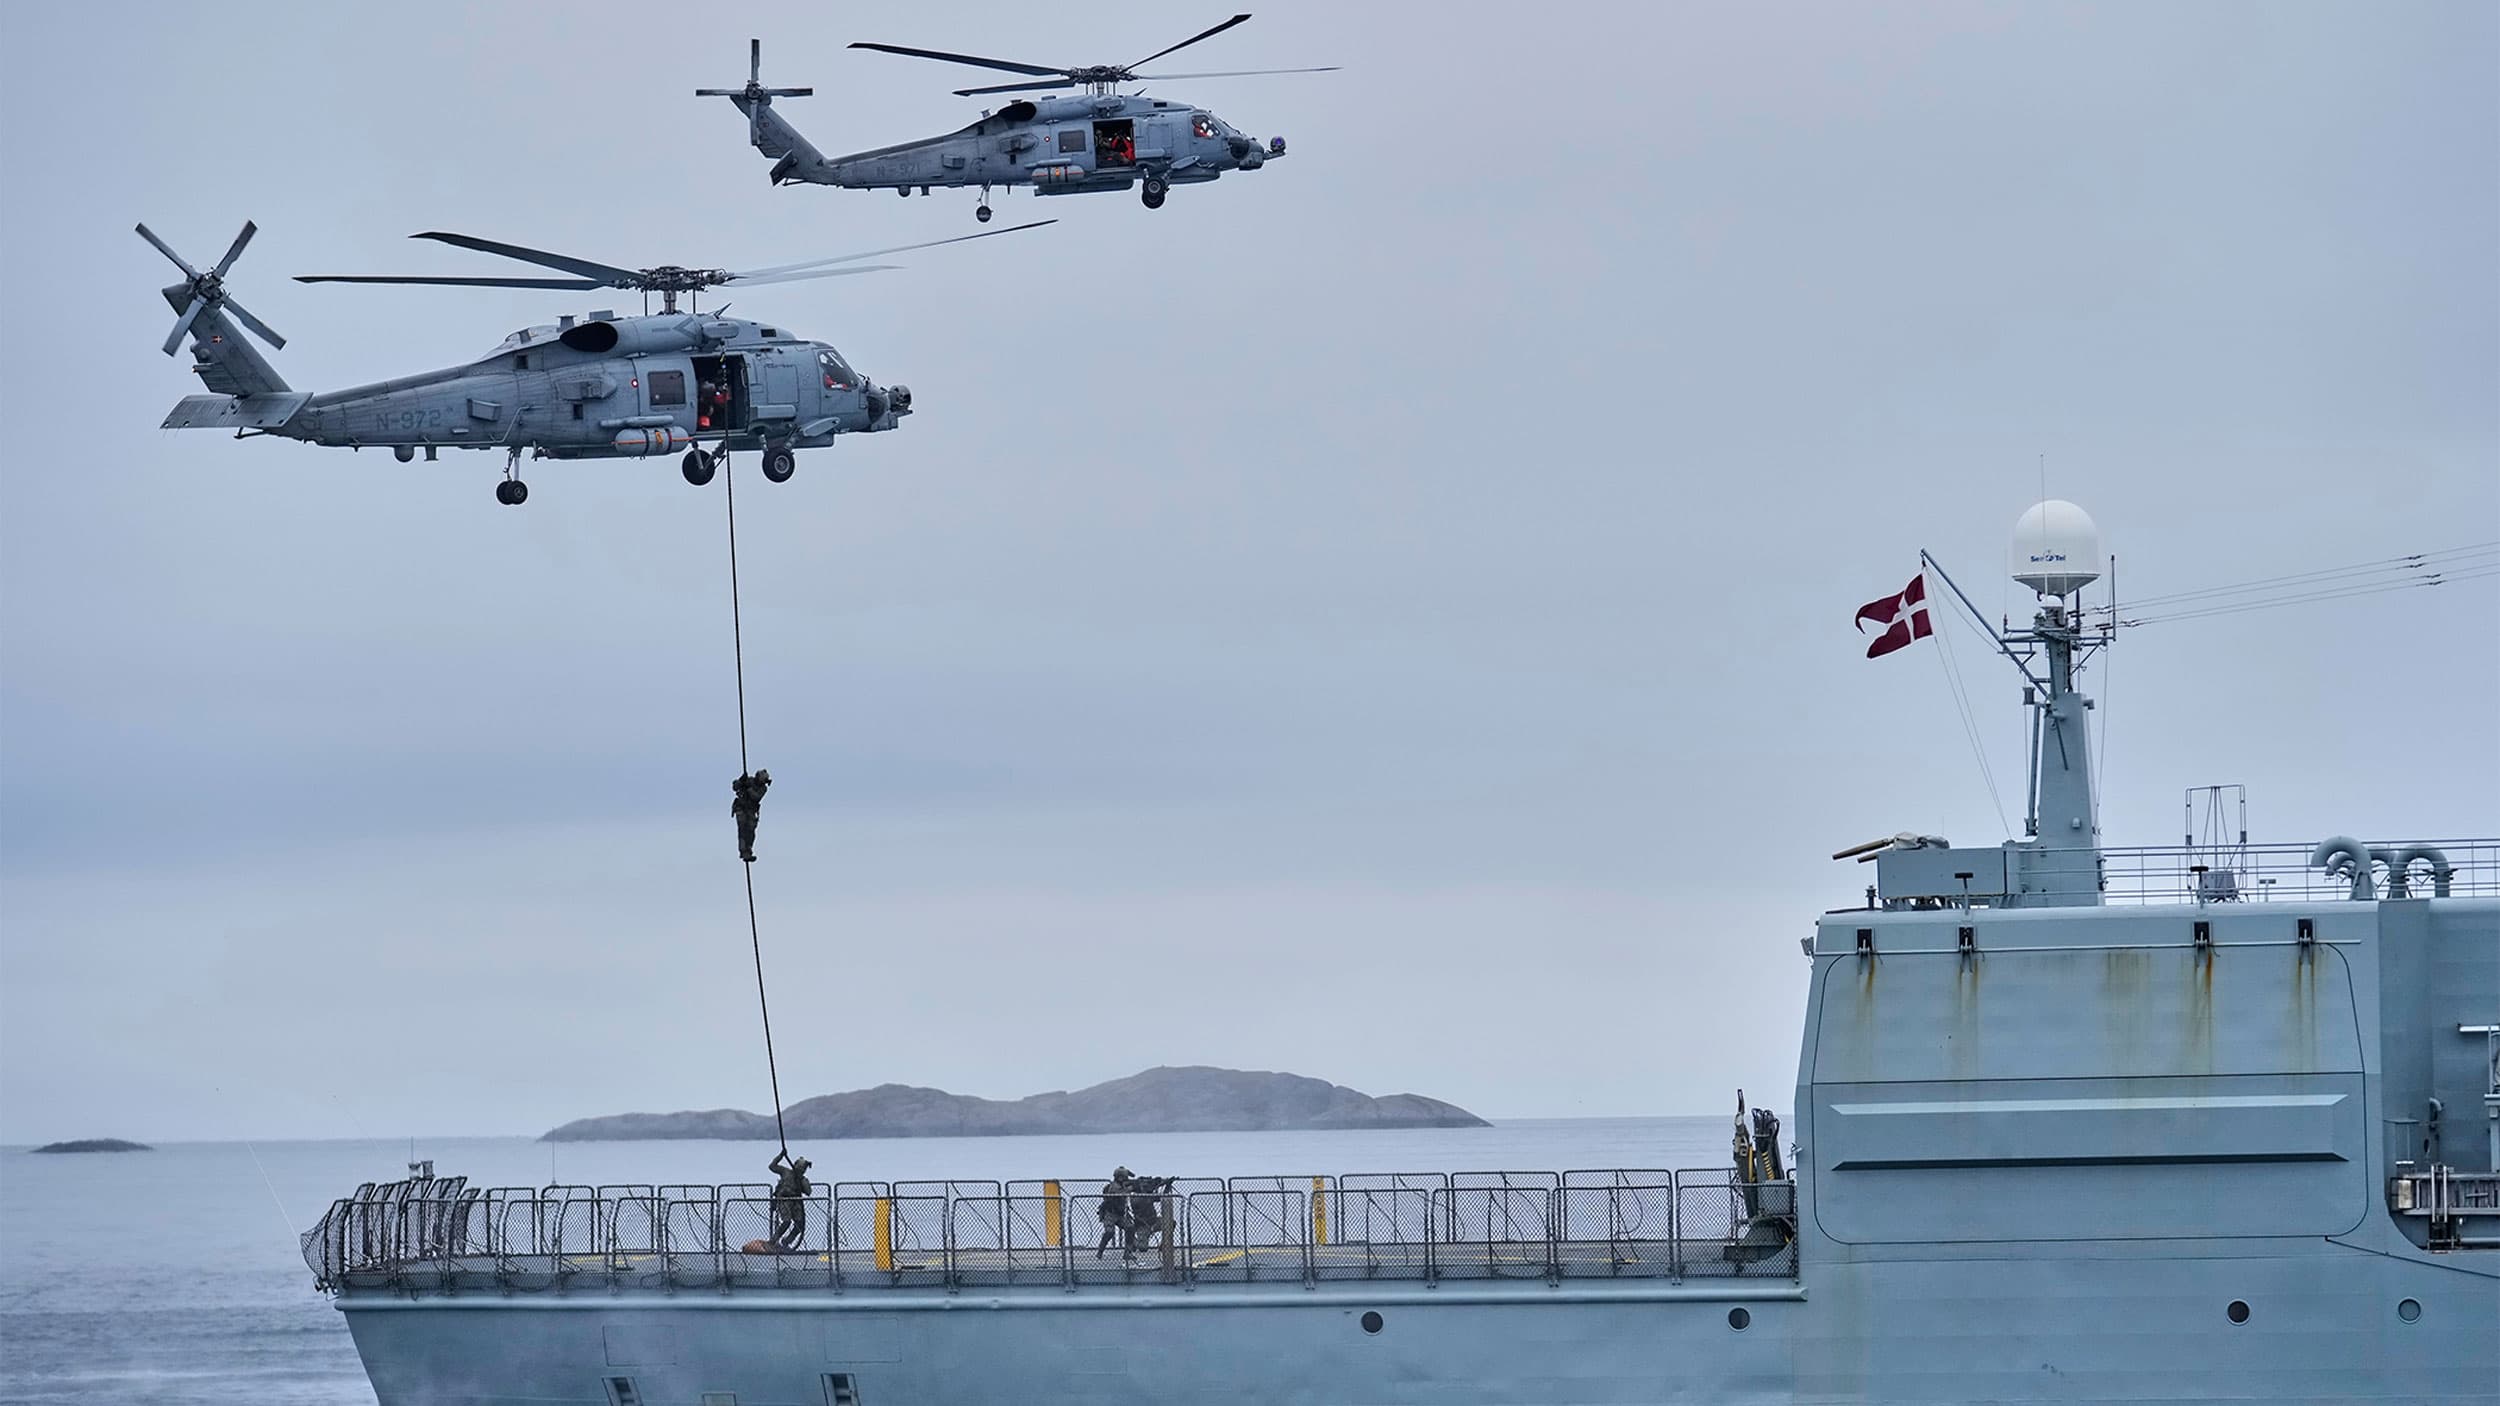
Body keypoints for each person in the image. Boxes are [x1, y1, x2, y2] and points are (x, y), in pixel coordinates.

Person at [767, 1150, 812, 1250]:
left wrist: (802, 1180)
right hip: (784, 1200)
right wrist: (780, 1156)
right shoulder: (785, 1172)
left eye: (803, 1169)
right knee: (786, 1222)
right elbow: (772, 1167)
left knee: (800, 1225)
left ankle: (786, 1242)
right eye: (800, 1168)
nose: (802, 1170)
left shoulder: (802, 1179)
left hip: (796, 1202)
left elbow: (808, 1192)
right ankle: (773, 1241)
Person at [732, 769, 772, 862]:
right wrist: (741, 781)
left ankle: (748, 849)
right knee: (742, 830)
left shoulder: (763, 788)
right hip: (741, 808)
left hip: (751, 810)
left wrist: (749, 788)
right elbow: (735, 787)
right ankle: (743, 852)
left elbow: (756, 797)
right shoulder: (750, 780)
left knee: (751, 830)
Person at [1094, 1167, 1132, 1258]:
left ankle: (1128, 1253)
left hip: (1120, 1214)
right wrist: (1130, 1189)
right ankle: (1100, 1251)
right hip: (1110, 1213)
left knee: (1130, 1228)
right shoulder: (1114, 1186)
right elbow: (1119, 1193)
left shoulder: (1122, 1185)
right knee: (1109, 1232)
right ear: (1120, 1177)